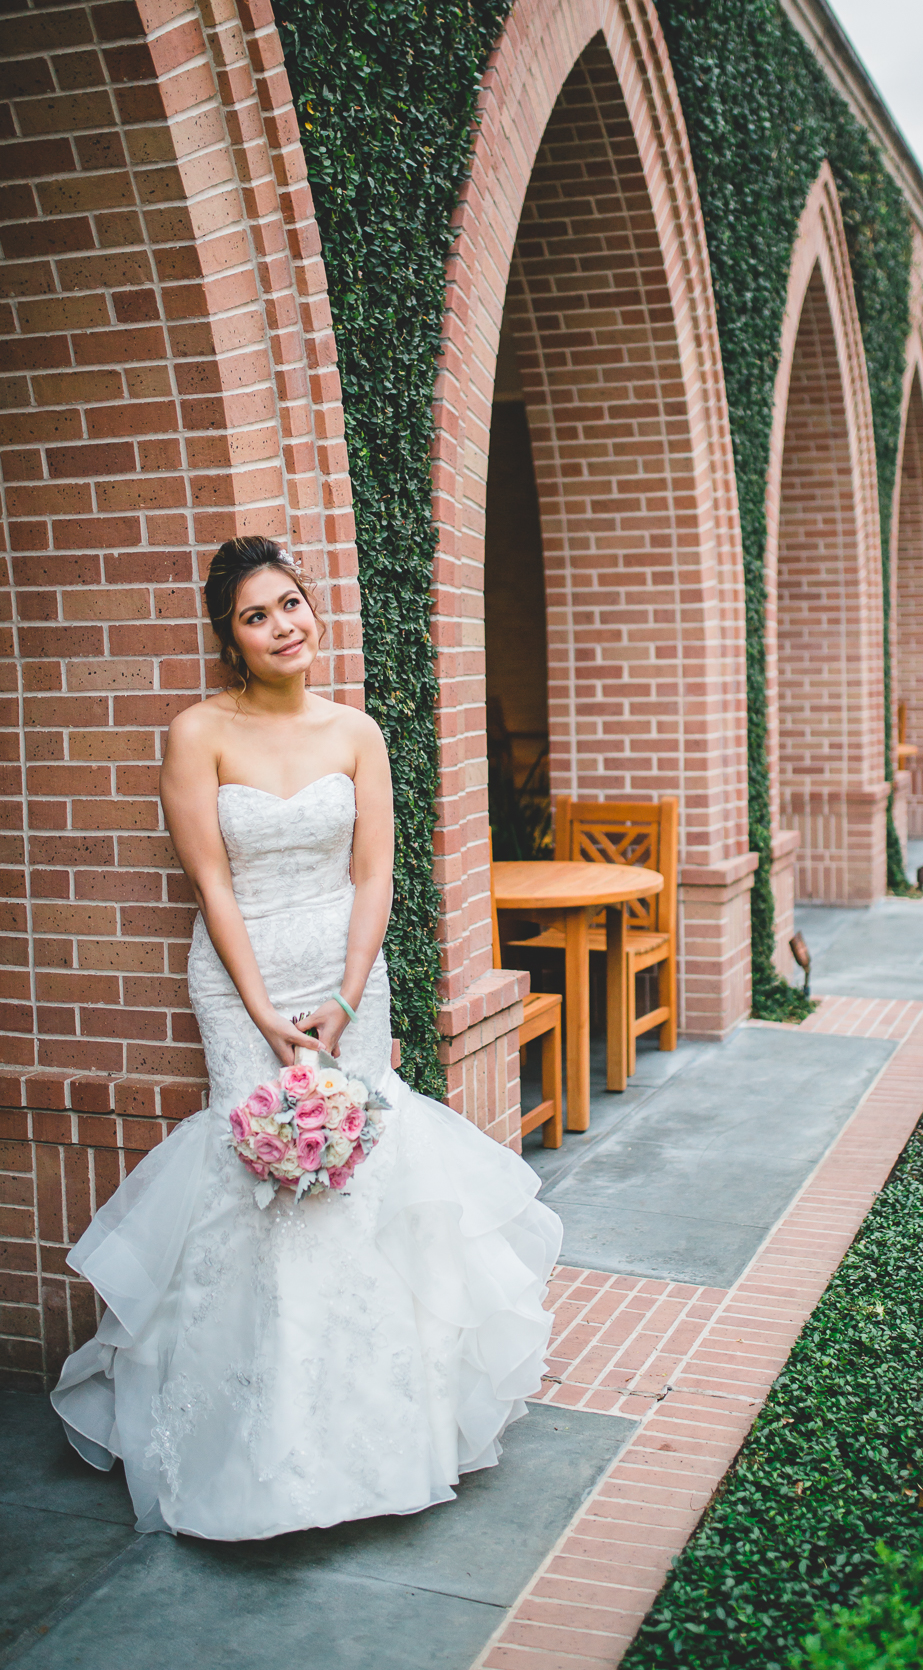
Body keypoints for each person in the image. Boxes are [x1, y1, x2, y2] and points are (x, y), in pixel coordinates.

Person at [51, 536, 562, 1540]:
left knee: (356, 1170)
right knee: (255, 1175)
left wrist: (345, 993)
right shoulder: (198, 733)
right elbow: (213, 884)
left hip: (345, 980)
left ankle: (380, 1436)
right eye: (257, 615)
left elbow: (374, 875)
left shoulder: (358, 733)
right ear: (230, 640)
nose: (285, 625)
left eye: (292, 603)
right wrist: (259, 1007)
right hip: (242, 977)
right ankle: (248, 1444)